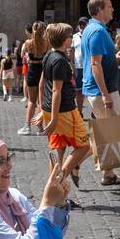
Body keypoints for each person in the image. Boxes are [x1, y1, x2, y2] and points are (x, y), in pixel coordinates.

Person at [80, 0, 120, 187]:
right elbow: (95, 64)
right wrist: (106, 94)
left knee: (107, 133)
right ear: (100, 10)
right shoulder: (98, 32)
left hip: (98, 90)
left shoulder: (92, 29)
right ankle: (72, 165)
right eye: (109, 6)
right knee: (109, 134)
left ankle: (109, 174)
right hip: (102, 91)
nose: (112, 9)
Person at [39, 22, 90, 187]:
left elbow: (42, 85)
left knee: (58, 149)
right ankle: (60, 181)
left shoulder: (48, 56)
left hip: (50, 108)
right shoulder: (60, 61)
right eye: (70, 36)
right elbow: (56, 90)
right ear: (65, 40)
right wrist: (53, 118)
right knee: (83, 146)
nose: (71, 39)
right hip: (64, 110)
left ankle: (56, 191)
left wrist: (42, 110)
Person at [18, 22, 47, 136]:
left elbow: (23, 56)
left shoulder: (28, 42)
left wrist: (29, 59)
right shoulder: (46, 43)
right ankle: (40, 127)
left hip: (32, 71)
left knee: (31, 101)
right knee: (41, 101)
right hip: (42, 71)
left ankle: (27, 126)